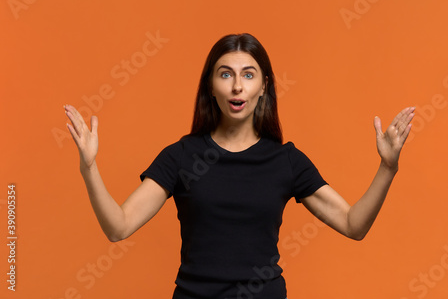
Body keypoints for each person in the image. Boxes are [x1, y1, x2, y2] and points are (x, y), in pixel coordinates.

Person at [63, 33, 415, 299]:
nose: (236, 86)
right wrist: (89, 167)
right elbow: (118, 227)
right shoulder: (181, 156)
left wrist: (387, 168)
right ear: (211, 86)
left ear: (263, 87)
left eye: (248, 75)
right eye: (225, 74)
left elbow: (354, 225)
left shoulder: (286, 161)